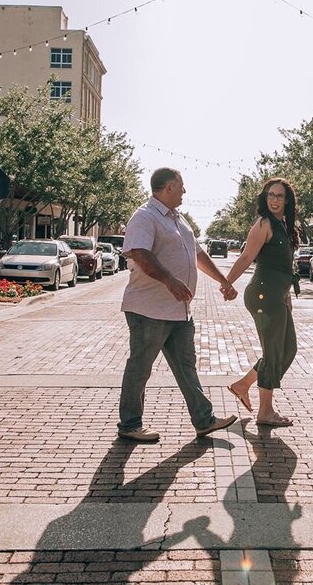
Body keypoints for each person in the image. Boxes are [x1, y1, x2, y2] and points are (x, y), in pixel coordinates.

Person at [116, 167, 239, 444]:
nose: (185, 191)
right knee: (140, 367)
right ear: (168, 187)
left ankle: (204, 421)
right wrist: (169, 280)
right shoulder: (144, 217)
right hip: (149, 310)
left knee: (186, 367)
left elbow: (198, 254)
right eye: (181, 186)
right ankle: (130, 424)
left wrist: (224, 280)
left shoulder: (179, 221)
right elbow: (139, 253)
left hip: (180, 311)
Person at [224, 178, 300, 427]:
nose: (275, 199)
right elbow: (246, 257)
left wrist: (287, 294)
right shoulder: (264, 223)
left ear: (287, 200)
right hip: (263, 296)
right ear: (265, 198)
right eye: (271, 195)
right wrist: (227, 282)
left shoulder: (284, 224)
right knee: (273, 353)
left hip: (277, 296)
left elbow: (283, 265)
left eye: (279, 196)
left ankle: (243, 384)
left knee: (287, 350)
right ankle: (265, 411)